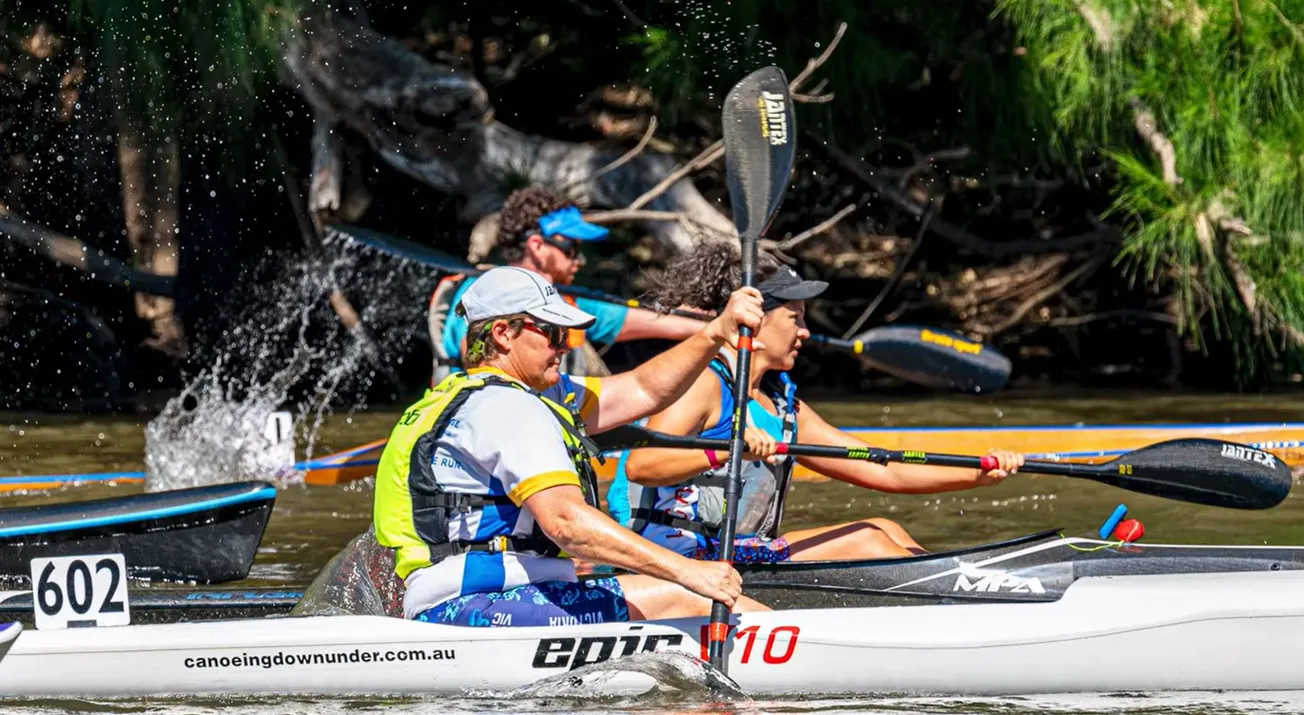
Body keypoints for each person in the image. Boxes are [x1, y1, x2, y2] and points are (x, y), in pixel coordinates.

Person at [374, 265, 771, 628]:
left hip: (455, 604)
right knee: (684, 597)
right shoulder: (509, 407)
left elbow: (643, 389)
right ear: (502, 334)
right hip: (483, 606)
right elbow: (567, 524)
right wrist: (687, 571)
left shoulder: (469, 397)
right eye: (552, 333)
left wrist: (714, 332)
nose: (565, 347)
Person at [610, 243, 1025, 563]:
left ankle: (965, 596)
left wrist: (974, 473)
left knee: (882, 526)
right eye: (796, 317)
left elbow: (881, 467)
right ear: (757, 319)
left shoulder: (785, 408)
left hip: (738, 551)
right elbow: (645, 466)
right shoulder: (704, 382)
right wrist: (725, 449)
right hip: (675, 555)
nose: (805, 331)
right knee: (867, 542)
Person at [428, 186, 706, 383]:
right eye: (571, 248)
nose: (579, 260)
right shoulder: (483, 292)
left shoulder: (566, 302)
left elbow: (656, 321)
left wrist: (716, 325)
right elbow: (479, 358)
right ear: (537, 246)